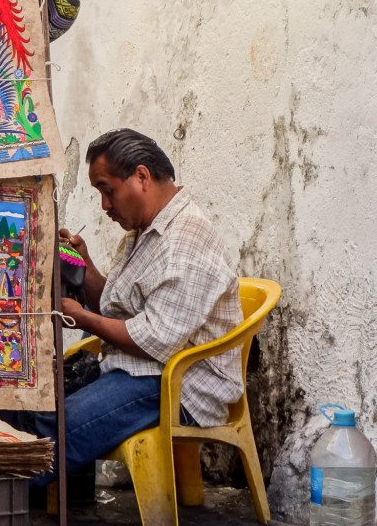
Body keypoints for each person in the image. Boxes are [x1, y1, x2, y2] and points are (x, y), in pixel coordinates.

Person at [20, 128, 244, 485]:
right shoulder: (144, 232)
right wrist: (85, 265)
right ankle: (45, 495)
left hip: (178, 384)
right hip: (139, 367)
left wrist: (81, 318)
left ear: (141, 176)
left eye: (108, 191)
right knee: (34, 402)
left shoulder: (186, 239)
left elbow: (153, 340)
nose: (105, 206)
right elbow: (116, 306)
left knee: (54, 428)